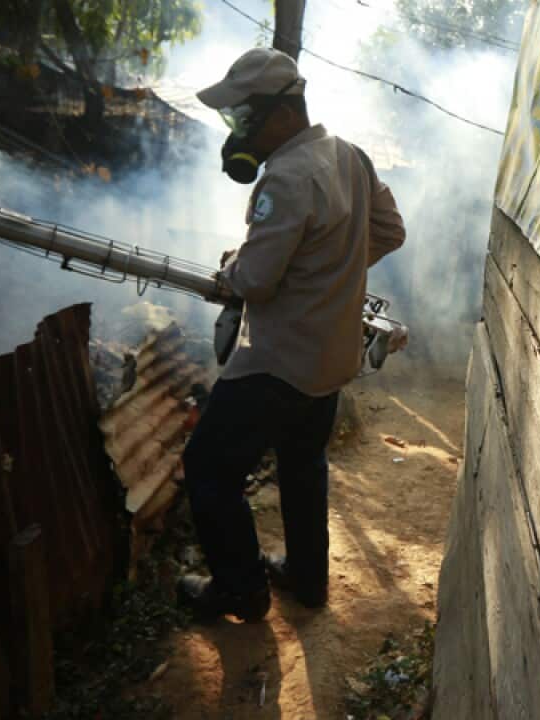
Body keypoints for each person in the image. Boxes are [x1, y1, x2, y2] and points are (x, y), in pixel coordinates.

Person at [179, 47, 406, 622]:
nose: (238, 130)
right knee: (303, 464)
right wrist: (332, 267)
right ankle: (308, 581)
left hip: (275, 362)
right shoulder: (349, 156)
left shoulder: (287, 175)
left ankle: (240, 590)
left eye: (244, 117)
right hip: (329, 360)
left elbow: (254, 280)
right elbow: (390, 231)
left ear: (283, 115)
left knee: (208, 470)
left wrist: (232, 267)